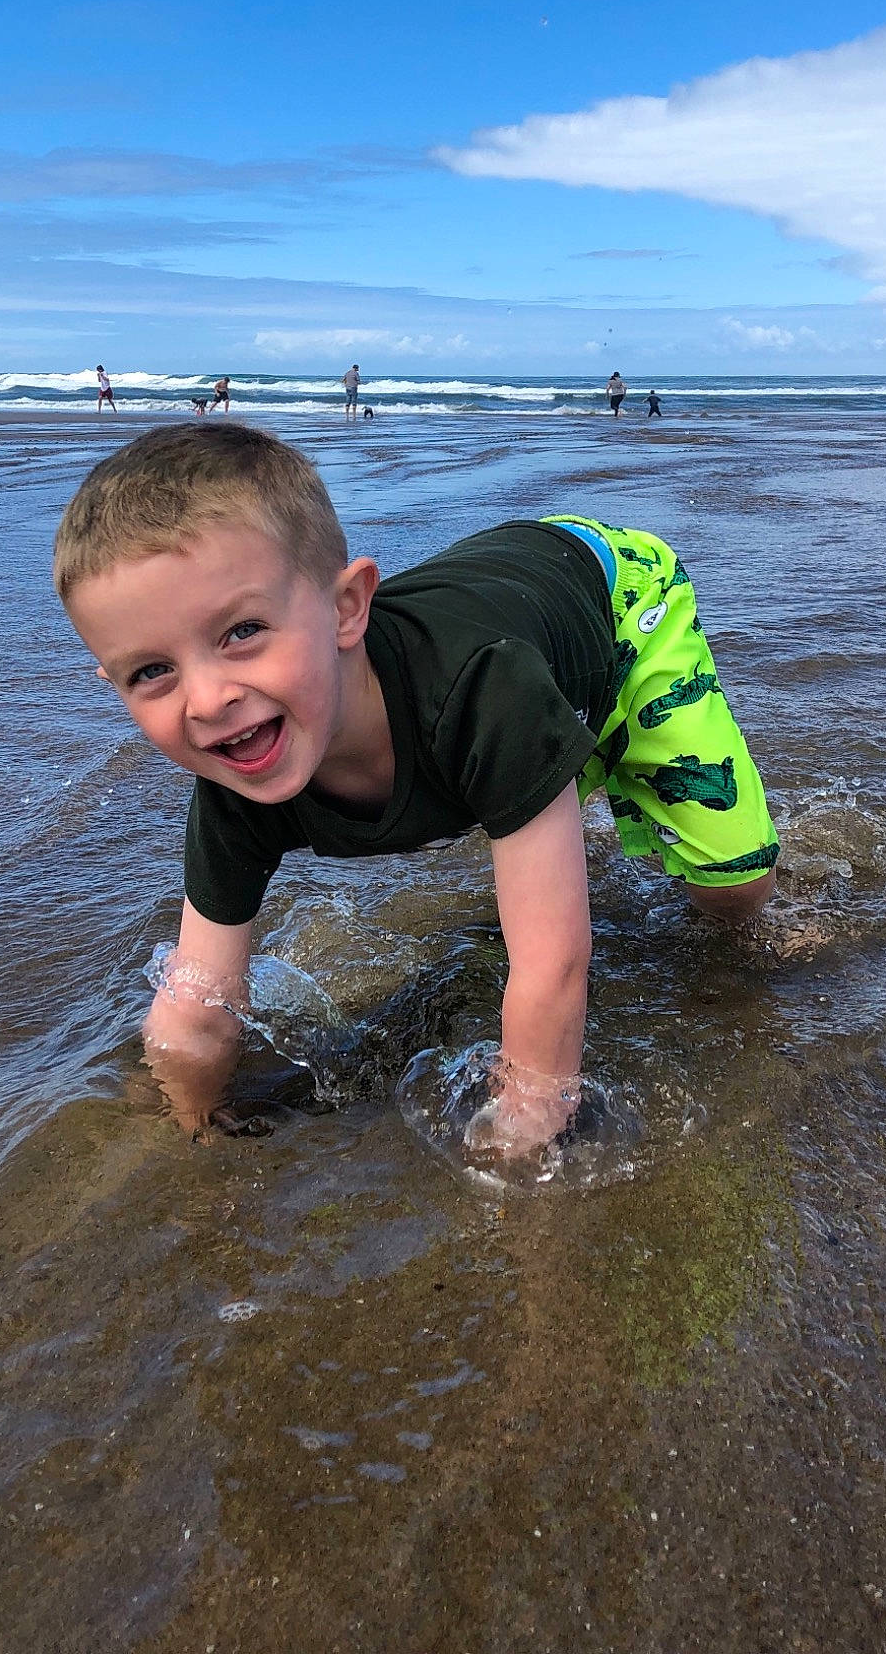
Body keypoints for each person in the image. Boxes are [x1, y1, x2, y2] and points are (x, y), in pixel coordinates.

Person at [55, 423, 779, 1157]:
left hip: (616, 598)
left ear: (346, 608)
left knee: (732, 891)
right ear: (110, 682)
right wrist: (185, 1128)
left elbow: (551, 968)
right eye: (151, 671)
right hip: (506, 612)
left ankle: (582, 803)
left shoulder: (484, 696)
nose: (206, 701)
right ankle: (544, 804)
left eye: (242, 630)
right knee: (527, 797)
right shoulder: (234, 779)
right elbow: (199, 1002)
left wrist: (521, 1135)